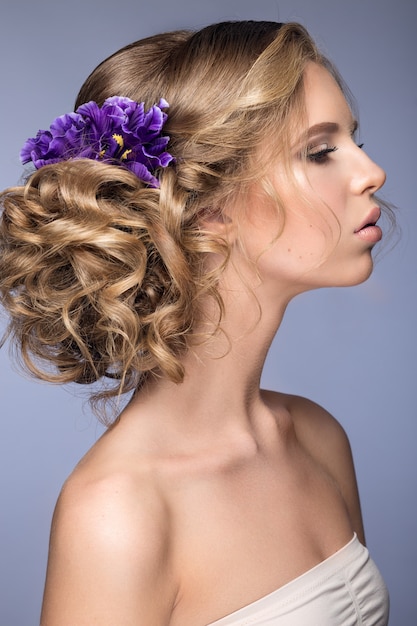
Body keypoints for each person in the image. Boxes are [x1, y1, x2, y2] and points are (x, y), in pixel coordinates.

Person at [0, 20, 391, 626]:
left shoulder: (316, 438)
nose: (371, 172)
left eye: (353, 139)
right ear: (206, 209)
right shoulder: (119, 513)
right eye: (319, 151)